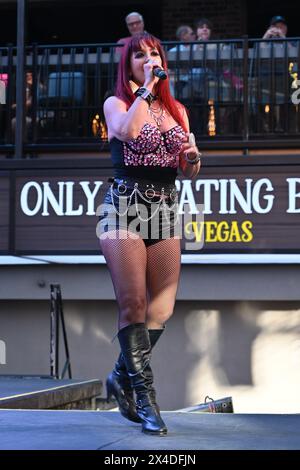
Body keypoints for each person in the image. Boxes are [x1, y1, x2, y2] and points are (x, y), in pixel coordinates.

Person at [97, 32, 201, 436]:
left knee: (162, 310)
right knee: (134, 303)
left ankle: (119, 376)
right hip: (123, 208)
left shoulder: (178, 110)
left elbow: (187, 169)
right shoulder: (117, 102)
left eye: (153, 53)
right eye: (139, 55)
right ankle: (146, 399)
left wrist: (193, 160)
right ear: (128, 65)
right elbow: (126, 132)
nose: (147, 58)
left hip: (164, 209)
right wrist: (146, 90)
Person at [168, 25, 196, 99]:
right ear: (183, 36)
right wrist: (180, 71)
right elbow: (168, 71)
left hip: (197, 81)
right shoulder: (173, 51)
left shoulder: (198, 48)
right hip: (181, 81)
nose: (194, 35)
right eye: (192, 33)